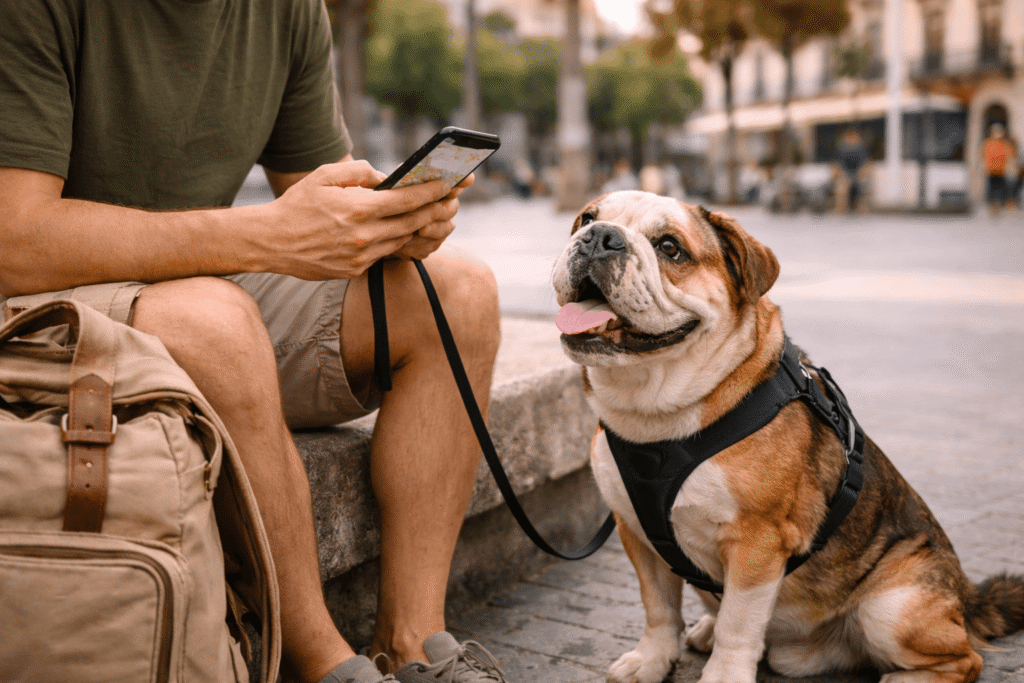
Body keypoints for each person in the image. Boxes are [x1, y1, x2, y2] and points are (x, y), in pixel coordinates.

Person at [0, 2, 509, 683]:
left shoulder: (287, 9)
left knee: (460, 293)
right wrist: (263, 235)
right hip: (35, 300)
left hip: (189, 280)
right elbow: (17, 239)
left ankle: (412, 643)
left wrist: (386, 223)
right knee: (221, 325)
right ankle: (322, 663)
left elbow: (319, 194)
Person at [834, 127, 870, 214]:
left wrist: (864, 173)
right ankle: (841, 208)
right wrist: (838, 174)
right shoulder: (841, 148)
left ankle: (861, 208)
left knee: (864, 184)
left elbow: (866, 163)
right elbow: (836, 164)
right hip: (845, 173)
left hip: (858, 173)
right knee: (841, 187)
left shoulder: (862, 148)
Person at [982, 123, 1014, 217]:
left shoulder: (1005, 144)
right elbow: (983, 156)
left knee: (1002, 189)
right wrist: (983, 167)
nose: (999, 133)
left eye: (1000, 131)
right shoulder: (987, 143)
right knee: (991, 190)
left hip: (1002, 170)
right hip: (990, 171)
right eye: (997, 131)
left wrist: (1010, 167)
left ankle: (1000, 206)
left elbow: (1009, 157)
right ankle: (992, 208)